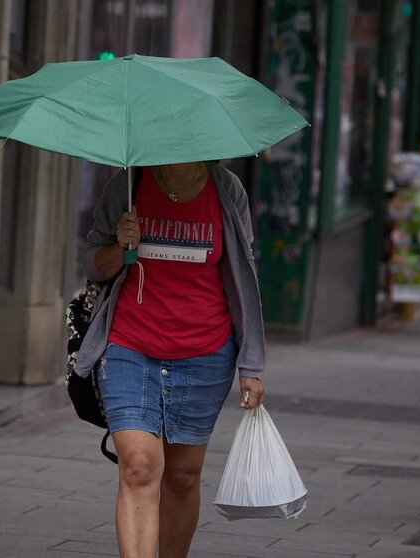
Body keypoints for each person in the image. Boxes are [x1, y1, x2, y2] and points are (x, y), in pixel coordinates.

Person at [80, 161, 265, 558]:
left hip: (206, 352)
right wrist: (121, 246)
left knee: (181, 476)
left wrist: (251, 364)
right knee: (140, 466)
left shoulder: (227, 190)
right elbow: (93, 264)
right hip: (129, 345)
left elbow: (243, 275)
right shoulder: (128, 185)